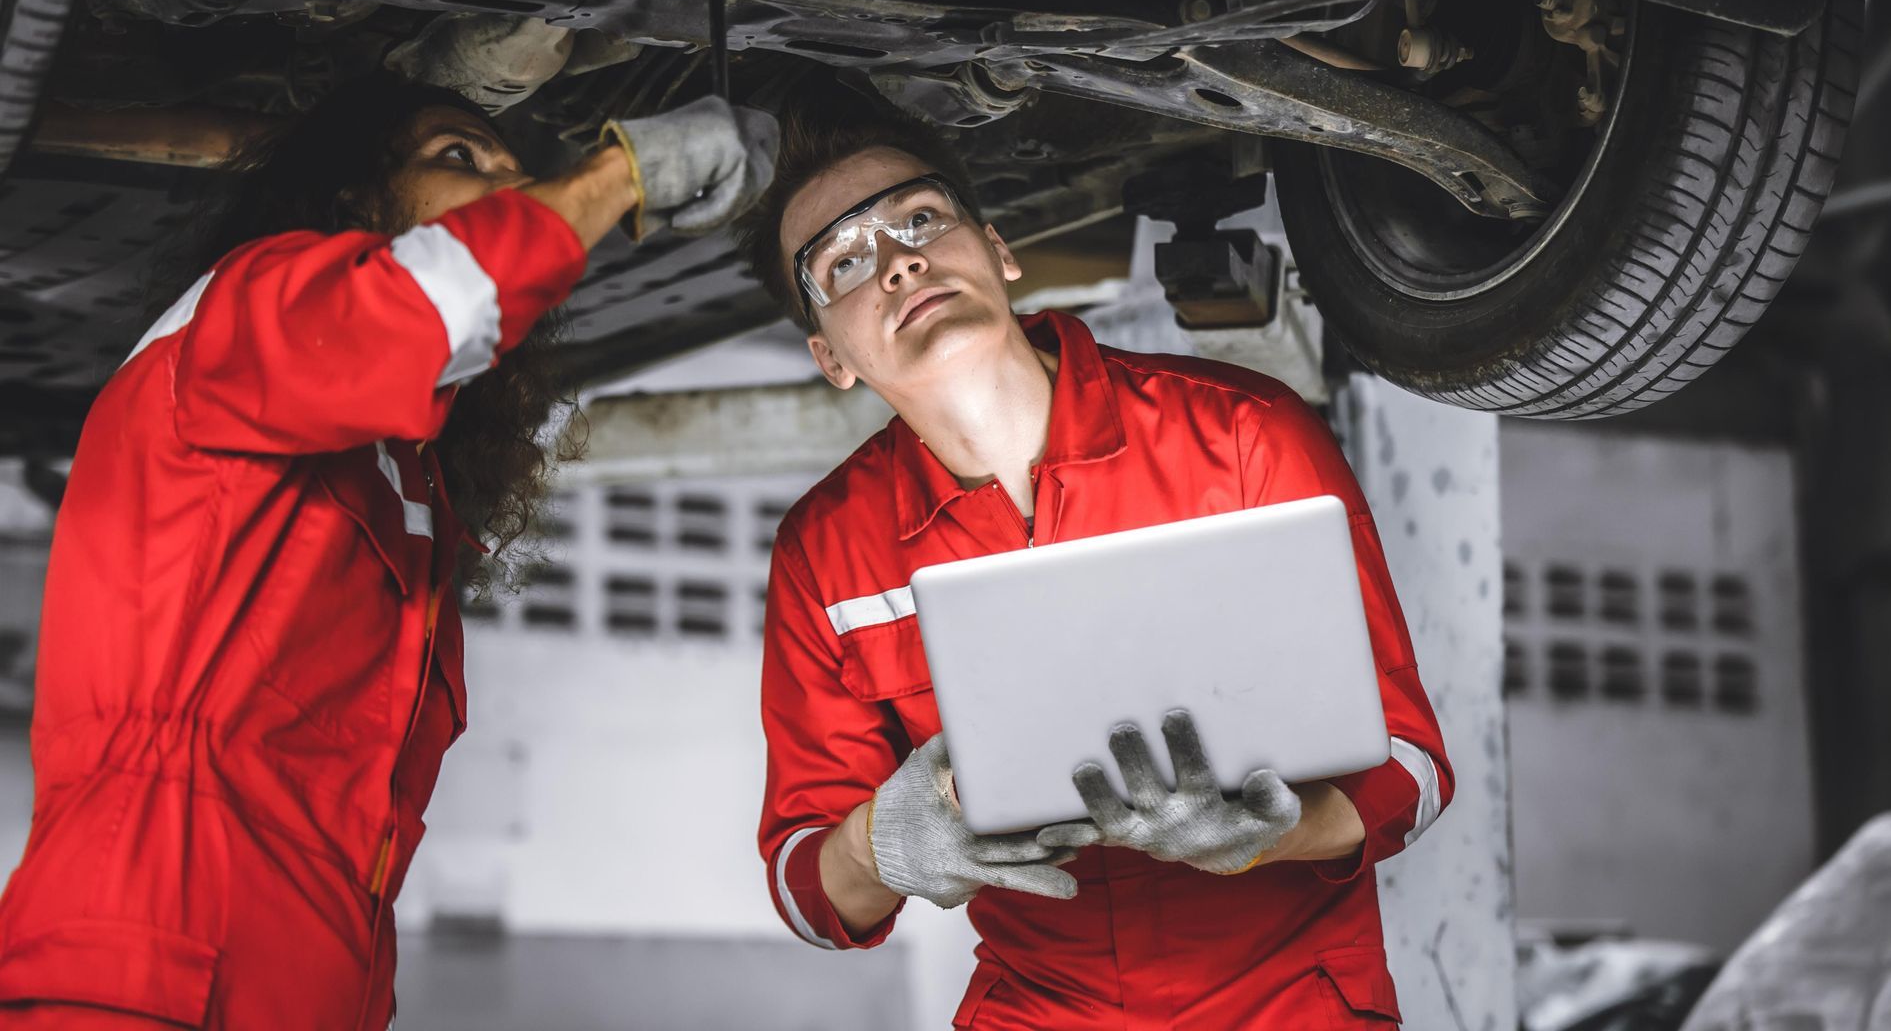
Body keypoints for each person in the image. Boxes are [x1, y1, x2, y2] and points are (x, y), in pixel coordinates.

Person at [0, 73, 776, 1029]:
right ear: (356, 202)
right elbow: (416, 310)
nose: (508, 184)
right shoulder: (239, 320)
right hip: (146, 967)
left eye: (514, 168)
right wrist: (617, 176)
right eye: (459, 159)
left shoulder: (390, 484)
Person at [742, 88, 1452, 1028]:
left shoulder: (1244, 437)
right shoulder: (826, 554)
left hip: (1290, 1002)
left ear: (998, 252)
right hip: (1041, 1007)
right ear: (830, 354)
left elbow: (1411, 768)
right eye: (843, 262)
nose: (901, 261)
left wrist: (1263, 837)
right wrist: (885, 845)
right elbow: (810, 893)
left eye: (921, 219)